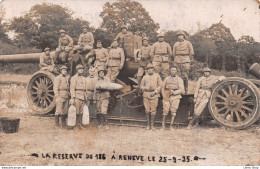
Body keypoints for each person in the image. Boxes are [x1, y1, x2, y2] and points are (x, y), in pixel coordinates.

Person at [140, 63, 162, 130]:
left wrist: (156, 91)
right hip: (146, 94)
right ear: (147, 70)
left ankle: (152, 125)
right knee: (147, 110)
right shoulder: (145, 77)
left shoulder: (157, 76)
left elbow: (160, 85)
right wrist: (145, 88)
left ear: (153, 69)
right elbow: (141, 86)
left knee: (153, 110)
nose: (150, 70)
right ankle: (148, 125)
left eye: (151, 69)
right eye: (148, 69)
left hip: (154, 95)